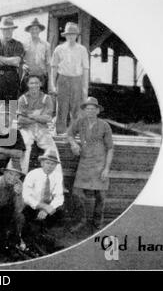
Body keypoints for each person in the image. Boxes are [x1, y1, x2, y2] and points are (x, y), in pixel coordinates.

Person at [67, 97, 114, 231]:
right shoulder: (80, 122)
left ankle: (97, 223)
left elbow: (110, 148)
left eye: (93, 109)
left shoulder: (105, 125)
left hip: (100, 164)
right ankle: (81, 220)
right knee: (76, 193)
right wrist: (73, 143)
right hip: (84, 163)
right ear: (84, 111)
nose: (90, 111)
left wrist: (106, 169)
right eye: (87, 109)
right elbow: (69, 134)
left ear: (98, 111)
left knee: (101, 196)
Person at [17, 76, 63, 176]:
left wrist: (31, 115)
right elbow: (20, 120)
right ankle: (20, 177)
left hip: (42, 129)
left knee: (52, 150)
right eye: (31, 83)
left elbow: (48, 118)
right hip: (26, 128)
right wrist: (39, 117)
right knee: (24, 147)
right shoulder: (22, 98)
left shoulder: (47, 98)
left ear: (40, 84)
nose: (34, 85)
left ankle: (57, 180)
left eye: (36, 83)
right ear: (27, 85)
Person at [50, 22, 90, 135]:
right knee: (61, 108)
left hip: (77, 80)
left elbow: (86, 69)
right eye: (69, 34)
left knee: (77, 109)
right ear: (65, 35)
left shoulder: (82, 49)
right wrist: (53, 84)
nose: (71, 36)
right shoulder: (59, 49)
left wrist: (85, 87)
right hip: (63, 80)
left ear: (77, 35)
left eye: (73, 34)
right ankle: (60, 132)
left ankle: (74, 133)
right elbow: (54, 67)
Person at [0, 16, 24, 113]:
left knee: (11, 105)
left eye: (9, 29)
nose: (7, 31)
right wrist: (9, 60)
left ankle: (10, 127)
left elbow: (16, 62)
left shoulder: (18, 44)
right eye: (4, 29)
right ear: (1, 30)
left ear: (13, 29)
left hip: (12, 77)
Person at [22, 151, 64, 229]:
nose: (50, 166)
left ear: (55, 166)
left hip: (49, 207)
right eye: (47, 163)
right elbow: (26, 196)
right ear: (42, 163)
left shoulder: (58, 176)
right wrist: (43, 206)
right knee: (30, 226)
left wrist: (47, 209)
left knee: (59, 213)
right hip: (33, 205)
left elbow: (59, 197)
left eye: (53, 164)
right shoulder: (32, 174)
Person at [21, 18, 51, 94]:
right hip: (28, 77)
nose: (34, 31)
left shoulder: (46, 45)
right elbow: (20, 60)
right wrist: (22, 65)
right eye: (32, 29)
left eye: (36, 29)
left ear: (40, 30)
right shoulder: (24, 44)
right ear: (29, 31)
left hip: (41, 78)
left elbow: (48, 64)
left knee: (41, 102)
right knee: (26, 101)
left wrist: (50, 81)